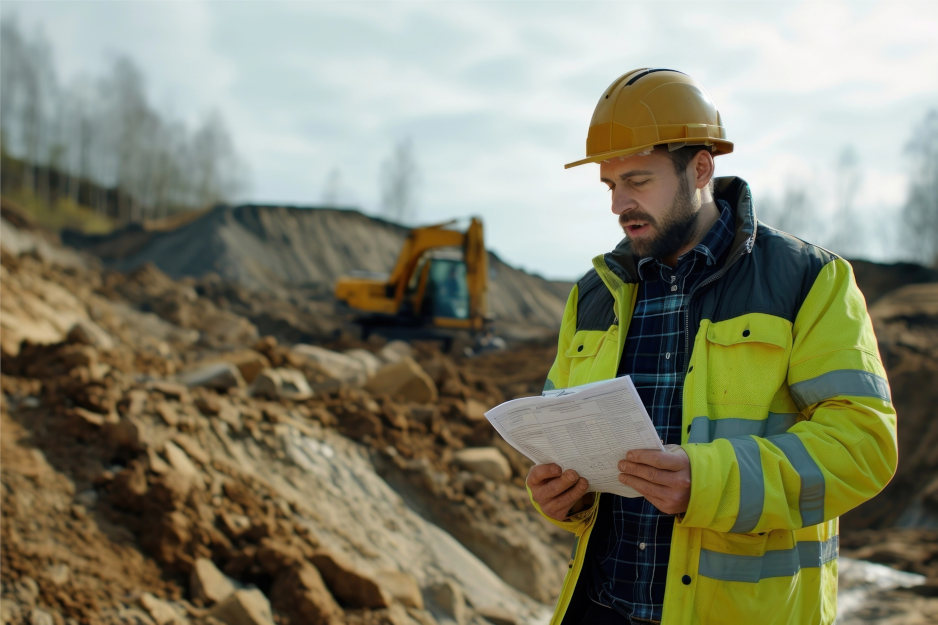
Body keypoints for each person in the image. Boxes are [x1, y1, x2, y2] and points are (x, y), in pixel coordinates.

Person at [525, 68, 898, 625]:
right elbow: (561, 436)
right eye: (610, 186)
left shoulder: (808, 281)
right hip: (600, 608)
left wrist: (710, 482)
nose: (618, 204)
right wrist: (564, 496)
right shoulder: (594, 295)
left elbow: (864, 444)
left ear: (700, 167)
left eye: (638, 180)